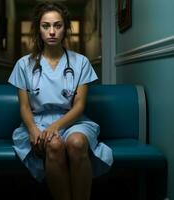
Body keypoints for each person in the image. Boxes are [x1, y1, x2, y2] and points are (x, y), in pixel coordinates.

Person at [8, 2, 113, 200]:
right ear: (38, 29)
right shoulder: (24, 64)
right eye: (46, 26)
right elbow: (24, 106)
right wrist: (33, 130)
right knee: (54, 145)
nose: (52, 31)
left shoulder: (80, 62)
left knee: (76, 142)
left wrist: (55, 126)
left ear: (65, 28)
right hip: (37, 122)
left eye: (58, 25)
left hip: (73, 120)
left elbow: (79, 105)